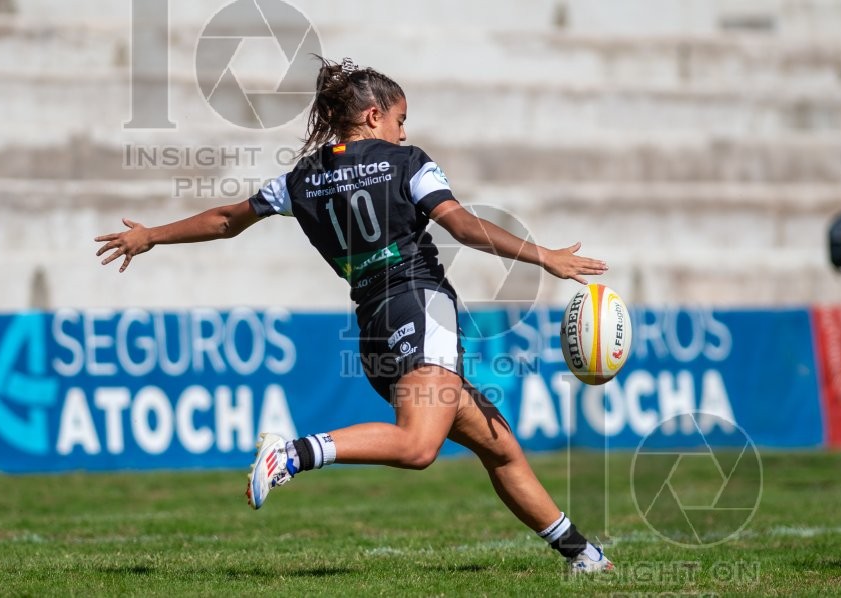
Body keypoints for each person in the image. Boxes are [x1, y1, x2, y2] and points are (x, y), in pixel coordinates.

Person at [95, 57, 613, 573]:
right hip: (418, 304)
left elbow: (226, 219)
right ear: (372, 116)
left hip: (372, 325)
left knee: (499, 447)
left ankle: (583, 556)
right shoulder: (406, 163)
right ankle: (293, 453)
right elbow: (461, 225)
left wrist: (150, 236)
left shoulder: (300, 180)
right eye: (400, 118)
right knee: (417, 446)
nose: (404, 130)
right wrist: (543, 255)